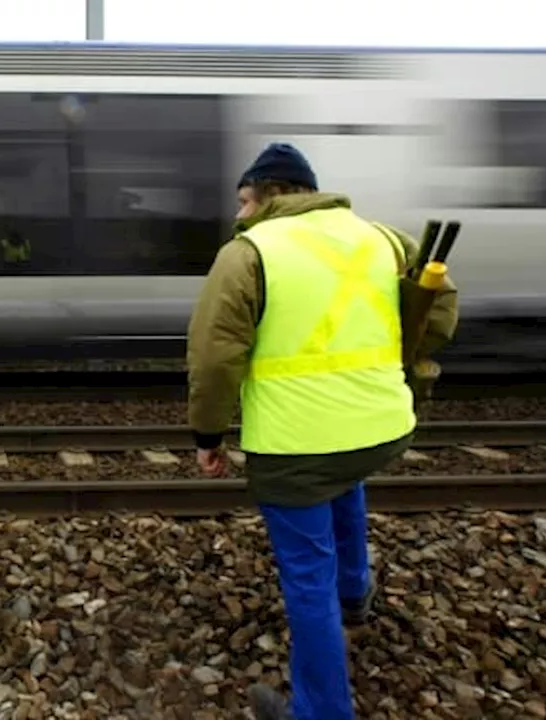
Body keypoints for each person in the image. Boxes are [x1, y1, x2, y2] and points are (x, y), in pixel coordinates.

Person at [185, 143, 459, 720]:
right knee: (343, 478)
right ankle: (355, 596)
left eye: (244, 200)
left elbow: (214, 358)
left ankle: (322, 711)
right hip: (384, 426)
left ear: (274, 193)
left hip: (296, 442)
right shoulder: (386, 239)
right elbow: (439, 317)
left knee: (306, 574)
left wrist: (208, 435)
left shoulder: (249, 252)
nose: (238, 214)